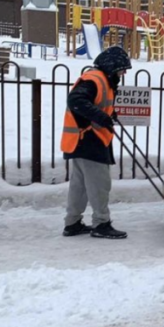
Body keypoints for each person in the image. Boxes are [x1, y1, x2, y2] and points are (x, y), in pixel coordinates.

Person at [60, 46, 132, 239]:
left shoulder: (101, 79)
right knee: (99, 184)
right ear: (112, 66)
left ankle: (72, 223)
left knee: (80, 185)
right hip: (89, 139)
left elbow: (94, 103)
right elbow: (76, 100)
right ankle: (101, 223)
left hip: (82, 140)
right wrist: (100, 116)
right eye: (121, 69)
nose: (123, 73)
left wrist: (108, 114)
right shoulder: (95, 79)